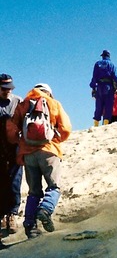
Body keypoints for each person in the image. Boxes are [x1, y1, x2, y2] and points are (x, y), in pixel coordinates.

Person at [7, 83, 71, 239]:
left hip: (28, 154)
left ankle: (30, 226)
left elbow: (11, 129)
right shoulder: (54, 103)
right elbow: (66, 128)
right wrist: (55, 139)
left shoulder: (23, 104)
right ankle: (45, 209)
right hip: (49, 151)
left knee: (34, 191)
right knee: (53, 186)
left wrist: (21, 142)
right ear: (49, 92)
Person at [0, 74, 23, 236]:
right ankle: (2, 216)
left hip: (15, 145)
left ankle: (12, 214)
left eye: (10, 88)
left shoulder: (17, 101)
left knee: (15, 180)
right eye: (4, 89)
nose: (7, 91)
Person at [89, 50, 117, 126]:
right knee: (108, 105)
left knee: (98, 105)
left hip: (100, 86)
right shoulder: (112, 65)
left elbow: (94, 77)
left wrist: (93, 87)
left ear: (103, 56)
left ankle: (96, 124)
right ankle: (105, 124)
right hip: (109, 87)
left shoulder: (97, 64)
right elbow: (116, 77)